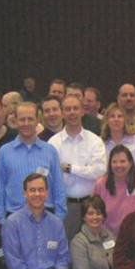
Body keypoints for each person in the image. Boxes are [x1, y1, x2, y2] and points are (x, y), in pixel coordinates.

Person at [0, 102, 66, 221]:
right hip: (13, 217)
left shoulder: (50, 151)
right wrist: (1, 220)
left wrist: (59, 218)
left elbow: (59, 187)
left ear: (37, 120)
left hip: (46, 216)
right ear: (15, 121)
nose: (26, 123)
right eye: (22, 119)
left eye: (30, 119)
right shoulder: (4, 152)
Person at [49, 94, 107, 238]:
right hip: (65, 206)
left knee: (93, 248)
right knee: (66, 249)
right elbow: (53, 176)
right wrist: (86, 170)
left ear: (82, 111)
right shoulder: (53, 143)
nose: (72, 112)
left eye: (75, 108)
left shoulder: (95, 141)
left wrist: (71, 169)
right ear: (62, 113)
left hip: (91, 206)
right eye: (67, 109)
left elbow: (99, 171)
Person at [94, 145, 135, 237]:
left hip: (134, 235)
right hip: (105, 235)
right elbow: (96, 211)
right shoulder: (101, 184)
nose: (118, 165)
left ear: (130, 163)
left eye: (122, 161)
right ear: (110, 164)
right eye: (114, 162)